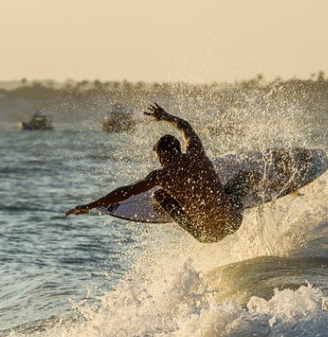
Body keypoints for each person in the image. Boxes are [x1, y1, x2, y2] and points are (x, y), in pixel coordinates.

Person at [65, 103, 254, 243]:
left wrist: (91, 205)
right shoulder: (196, 153)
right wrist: (165, 116)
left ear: (163, 154)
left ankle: (162, 206)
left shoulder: (161, 176)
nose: (159, 161)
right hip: (233, 222)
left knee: (158, 194)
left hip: (206, 235)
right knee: (245, 176)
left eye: (158, 157)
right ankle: (257, 185)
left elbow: (125, 192)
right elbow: (185, 127)